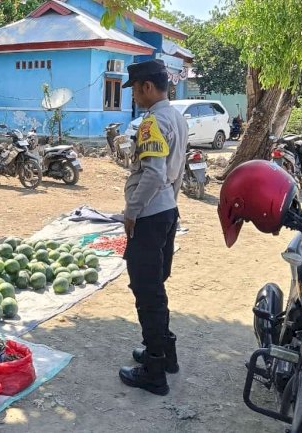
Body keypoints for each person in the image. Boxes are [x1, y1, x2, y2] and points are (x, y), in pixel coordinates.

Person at [118, 59, 188, 396]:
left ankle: (154, 369)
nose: (133, 97)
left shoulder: (151, 123)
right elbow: (175, 172)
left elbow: (154, 174)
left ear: (147, 86)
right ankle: (164, 353)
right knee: (155, 287)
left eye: (134, 90)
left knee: (147, 292)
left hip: (148, 216)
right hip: (167, 212)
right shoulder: (176, 116)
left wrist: (132, 211)